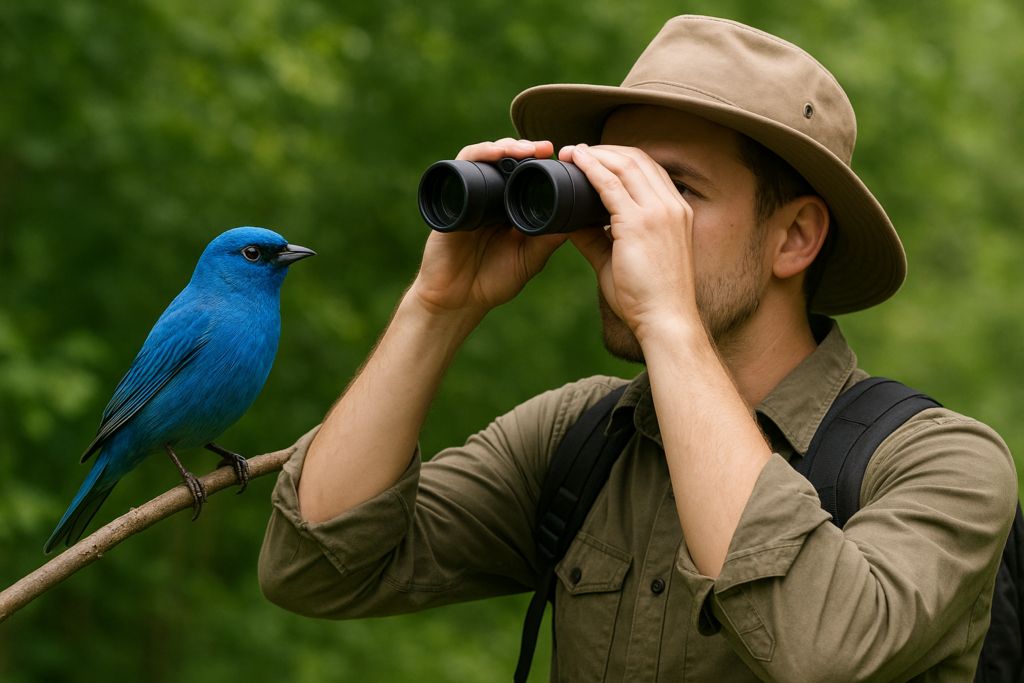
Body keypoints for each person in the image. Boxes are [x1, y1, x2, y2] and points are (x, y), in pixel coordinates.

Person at [258, 15, 1018, 681]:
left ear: (794, 237)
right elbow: (316, 566)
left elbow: (818, 651)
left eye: (674, 191)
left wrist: (671, 321)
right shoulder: (582, 440)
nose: (631, 222)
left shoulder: (942, 465)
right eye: (615, 185)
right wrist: (438, 307)